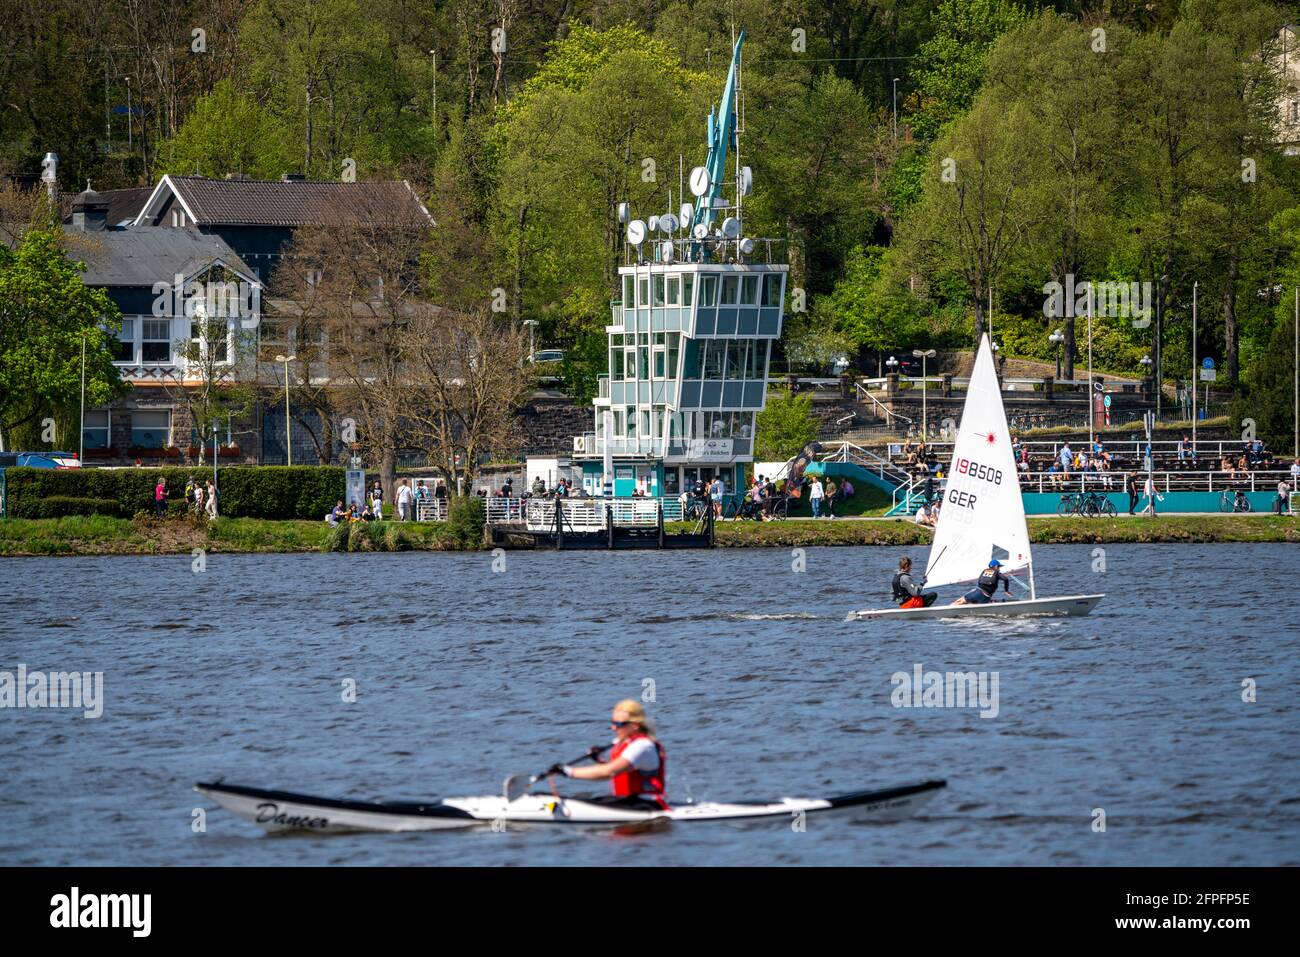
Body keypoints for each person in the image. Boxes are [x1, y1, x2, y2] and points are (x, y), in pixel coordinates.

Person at [551, 699, 668, 810]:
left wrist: (569, 772)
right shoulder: (625, 743)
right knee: (592, 800)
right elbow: (623, 770)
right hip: (628, 801)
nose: (613, 728)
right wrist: (599, 760)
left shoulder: (642, 746)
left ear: (634, 726)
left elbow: (609, 772)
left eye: (618, 724)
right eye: (612, 723)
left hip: (646, 804)